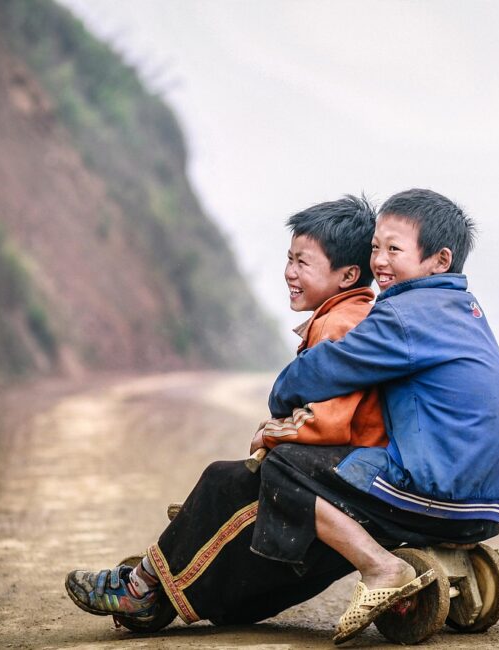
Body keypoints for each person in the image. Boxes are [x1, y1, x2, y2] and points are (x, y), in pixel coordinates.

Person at [65, 195, 388, 629]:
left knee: (223, 480)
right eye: (289, 259)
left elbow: (329, 420)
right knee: (233, 484)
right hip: (347, 464)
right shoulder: (350, 316)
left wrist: (271, 434)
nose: (290, 272)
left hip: (347, 470)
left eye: (303, 263)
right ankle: (158, 577)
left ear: (347, 275)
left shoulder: (339, 324)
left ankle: (141, 587)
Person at [260, 188, 499, 642]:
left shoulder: (405, 314)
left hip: (435, 493)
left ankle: (381, 569)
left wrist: (281, 394)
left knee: (285, 467)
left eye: (393, 249)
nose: (379, 260)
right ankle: (449, 547)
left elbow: (327, 368)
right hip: (488, 506)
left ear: (439, 260)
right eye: (376, 247)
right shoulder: (463, 308)